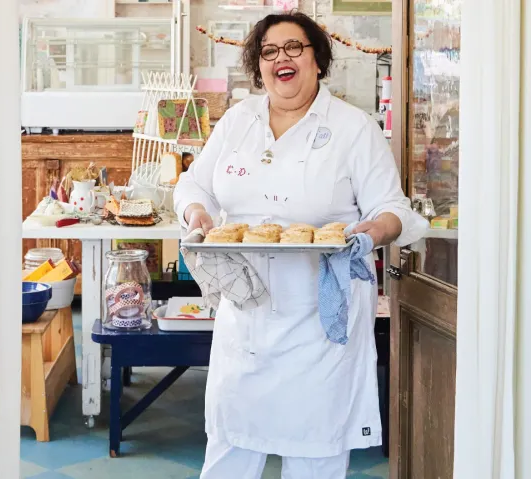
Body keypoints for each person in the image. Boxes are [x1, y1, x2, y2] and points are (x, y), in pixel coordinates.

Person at [173, 11, 426, 479]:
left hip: (319, 322)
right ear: (259, 64)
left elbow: (393, 209)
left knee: (315, 456)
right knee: (229, 449)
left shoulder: (354, 128)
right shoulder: (238, 121)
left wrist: (372, 232)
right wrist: (197, 214)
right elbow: (193, 186)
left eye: (294, 47)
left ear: (317, 59)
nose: (280, 59)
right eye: (269, 51)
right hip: (246, 313)